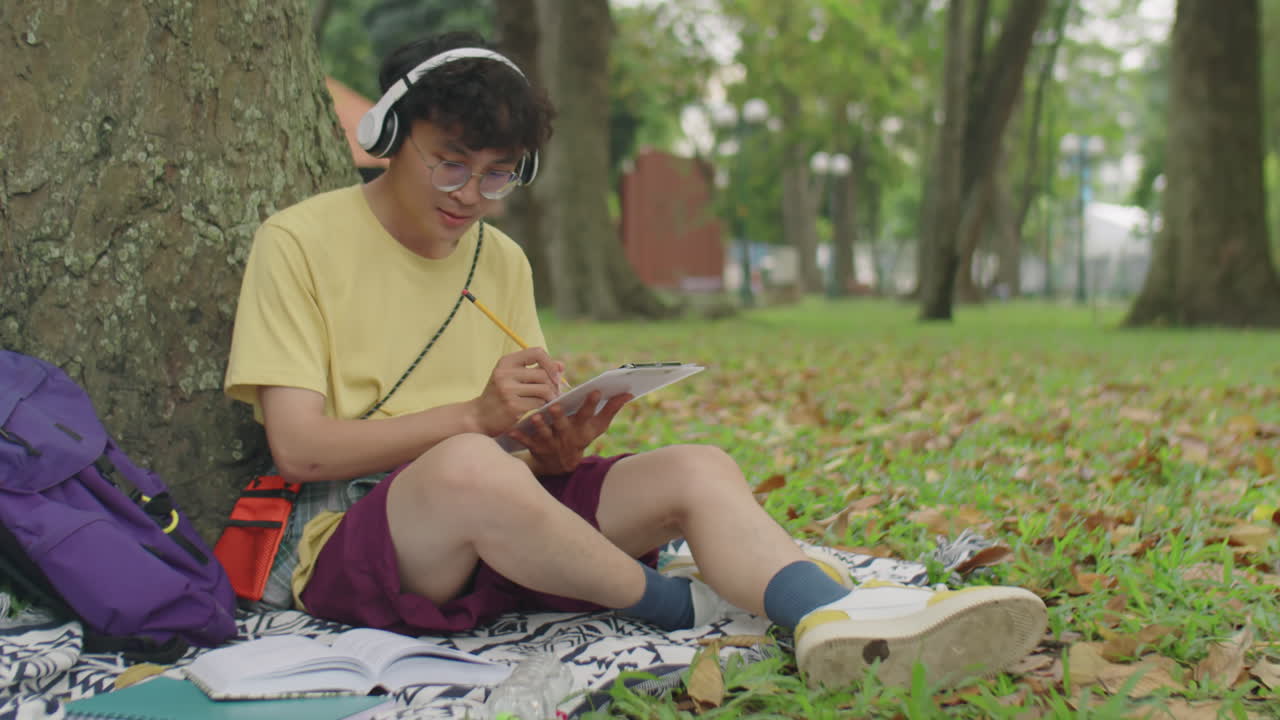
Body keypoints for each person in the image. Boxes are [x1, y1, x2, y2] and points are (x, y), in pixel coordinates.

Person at [223, 31, 1047, 690]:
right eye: (449, 163)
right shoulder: (299, 242)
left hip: (505, 508)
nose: (469, 195)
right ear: (389, 137)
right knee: (469, 464)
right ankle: (676, 609)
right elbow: (299, 447)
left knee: (695, 467)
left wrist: (554, 444)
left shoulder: (500, 258)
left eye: (497, 175)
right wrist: (477, 421)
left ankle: (842, 624)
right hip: (358, 531)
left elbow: (518, 446)